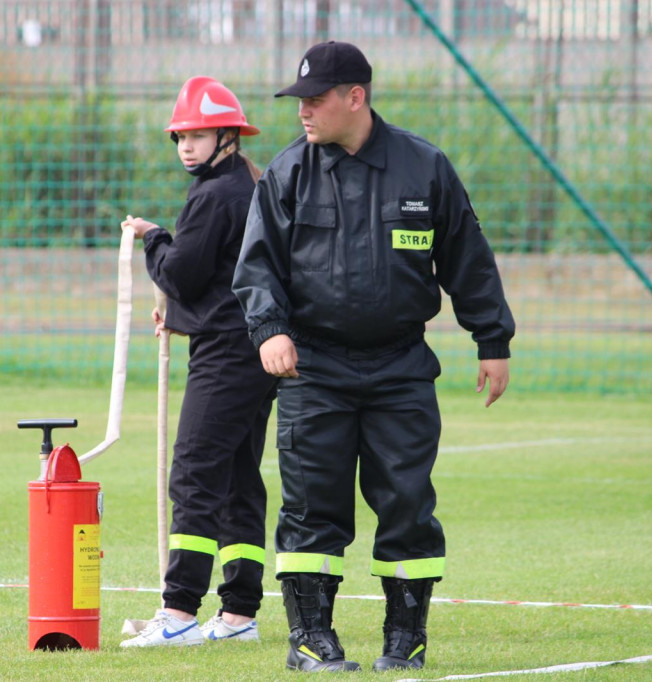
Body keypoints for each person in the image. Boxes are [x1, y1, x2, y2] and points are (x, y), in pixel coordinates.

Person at [232, 41, 515, 672]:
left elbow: (468, 258)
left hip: (401, 367)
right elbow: (256, 269)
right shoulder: (287, 173)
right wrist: (270, 330)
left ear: (355, 97)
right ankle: (311, 641)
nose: (303, 111)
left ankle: (404, 639)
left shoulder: (425, 168)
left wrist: (491, 340)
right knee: (311, 506)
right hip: (314, 367)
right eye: (299, 100)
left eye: (314, 99)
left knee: (408, 503)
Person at [120, 76, 277, 648]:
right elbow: (222, 279)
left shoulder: (215, 195)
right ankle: (238, 616)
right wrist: (181, 315)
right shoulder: (244, 185)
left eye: (197, 135)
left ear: (226, 136)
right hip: (252, 349)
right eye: (180, 137)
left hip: (227, 356)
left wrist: (154, 237)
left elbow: (183, 271)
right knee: (238, 480)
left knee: (193, 473)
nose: (186, 146)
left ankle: (180, 610)